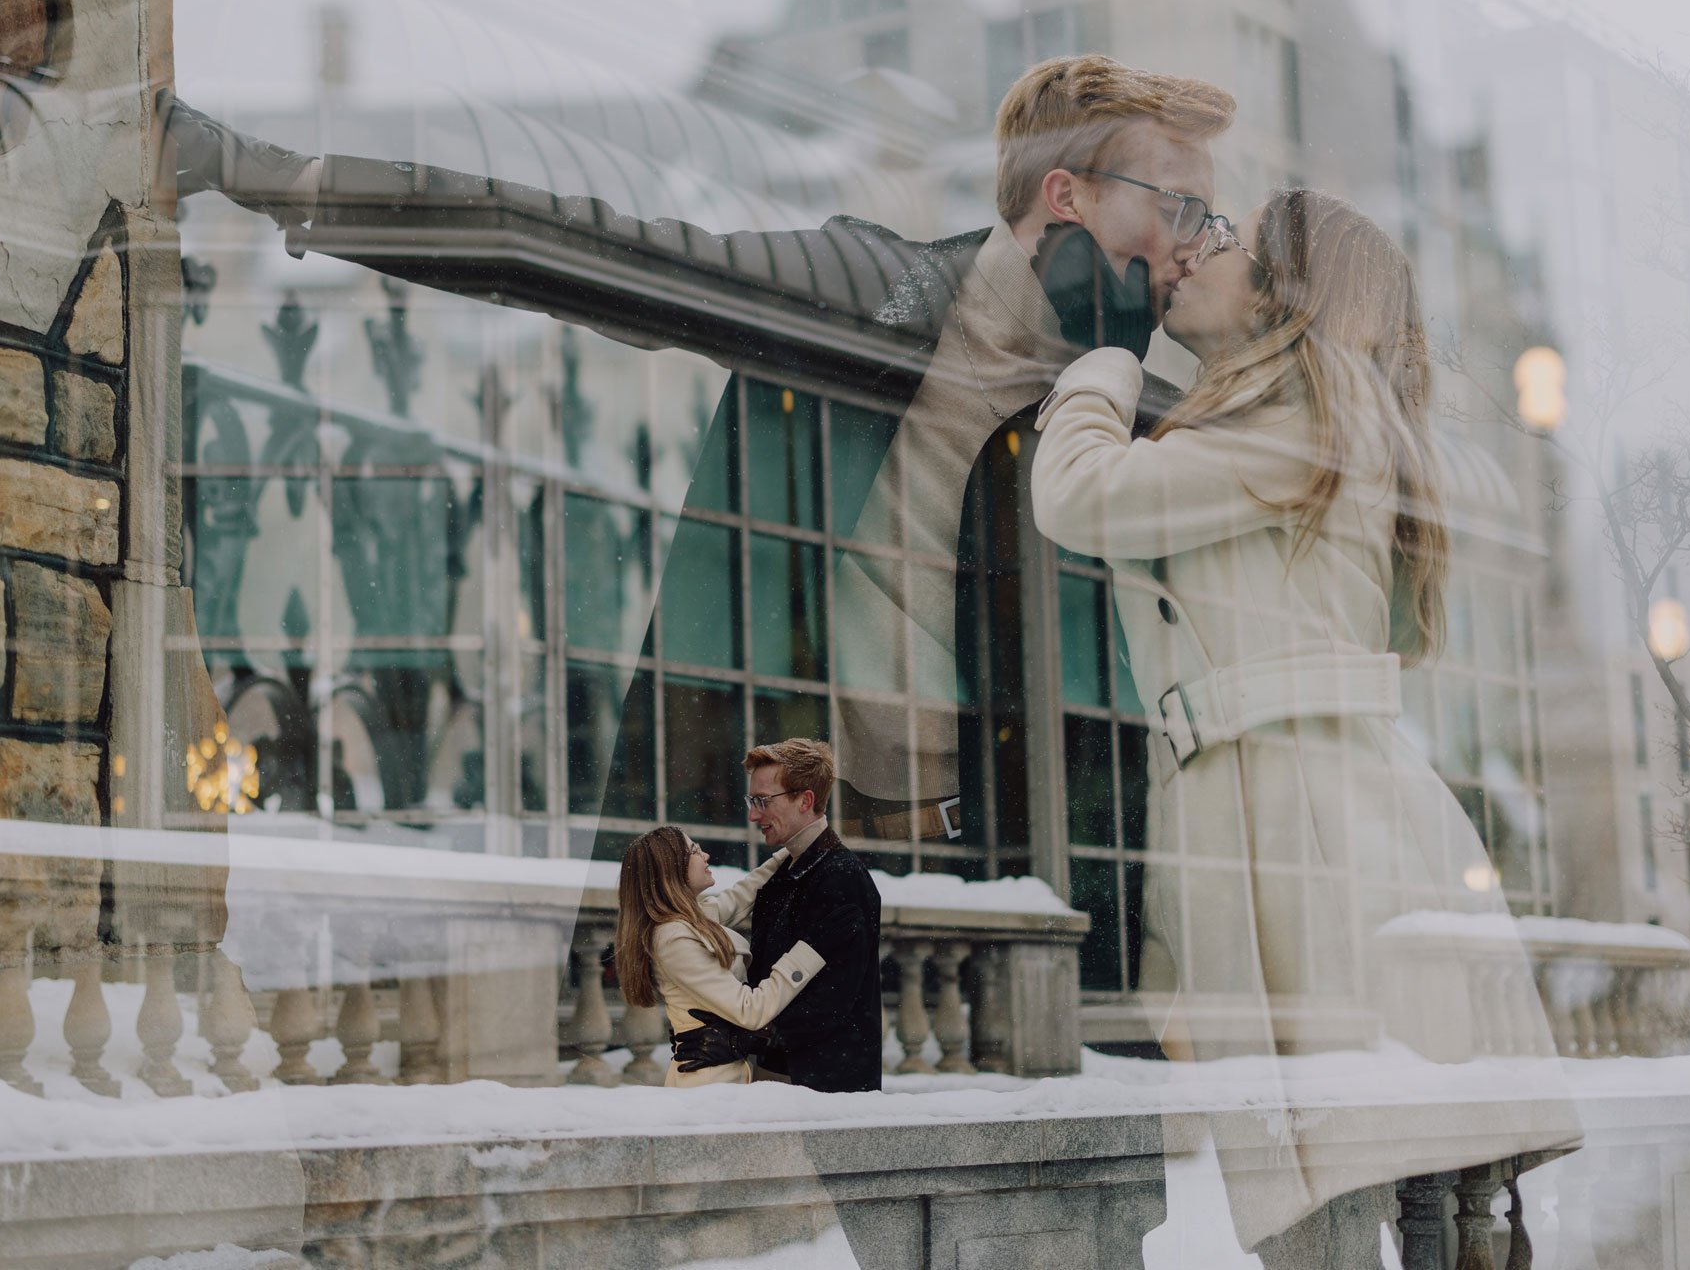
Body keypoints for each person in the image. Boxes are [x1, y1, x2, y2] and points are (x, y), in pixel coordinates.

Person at [161, 58, 1235, 845]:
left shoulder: (1134, 416)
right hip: (803, 846)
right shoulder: (875, 291)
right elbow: (588, 249)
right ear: (1066, 196)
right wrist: (294, 183)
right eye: (1178, 202)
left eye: (1210, 216)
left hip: (1032, 871)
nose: (1195, 236)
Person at [1029, 189, 1574, 1265]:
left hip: (1305, 828)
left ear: (1286, 291)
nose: (1186, 252)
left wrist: (1103, 355)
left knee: (1344, 1175)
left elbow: (1080, 493)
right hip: (1287, 812)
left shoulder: (1310, 416)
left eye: (1217, 238)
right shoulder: (1293, 413)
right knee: (1340, 1179)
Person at [669, 738, 885, 1091]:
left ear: (806, 800)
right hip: (785, 1079)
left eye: (762, 801)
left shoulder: (843, 877)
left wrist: (744, 1039)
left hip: (827, 1090)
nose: (753, 815)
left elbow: (834, 1000)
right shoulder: (785, 871)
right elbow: (765, 978)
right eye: (751, 801)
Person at [612, 826, 828, 1087]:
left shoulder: (688, 921)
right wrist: (813, 946)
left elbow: (743, 895)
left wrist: (799, 844)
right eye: (694, 850)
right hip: (708, 1085)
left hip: (721, 1079)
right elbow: (751, 1011)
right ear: (670, 869)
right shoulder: (673, 938)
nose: (705, 855)